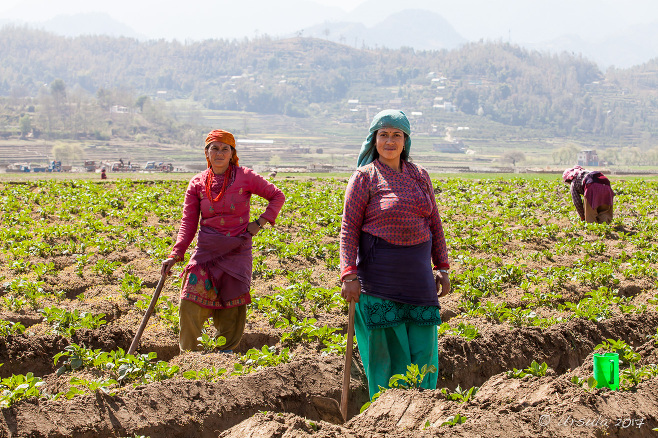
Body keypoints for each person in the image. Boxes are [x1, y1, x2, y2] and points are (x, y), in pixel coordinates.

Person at [339, 109, 451, 399]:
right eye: (384, 134)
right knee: (387, 354)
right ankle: (388, 413)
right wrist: (348, 274)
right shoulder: (364, 178)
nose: (390, 140)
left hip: (418, 280)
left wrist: (442, 266)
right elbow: (349, 229)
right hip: (380, 281)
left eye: (396, 135)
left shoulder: (420, 175)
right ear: (374, 140)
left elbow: (434, 223)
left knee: (424, 350)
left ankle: (423, 409)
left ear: (406, 141)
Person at [161, 129, 285, 353]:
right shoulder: (197, 183)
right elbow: (188, 224)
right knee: (189, 304)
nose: (219, 153)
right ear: (207, 153)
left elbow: (277, 196)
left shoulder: (245, 176)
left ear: (232, 153)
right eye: (214, 148)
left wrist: (259, 223)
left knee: (231, 308)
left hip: (237, 252)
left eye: (224, 149)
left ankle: (224, 356)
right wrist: (175, 254)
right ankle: (190, 356)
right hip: (205, 253)